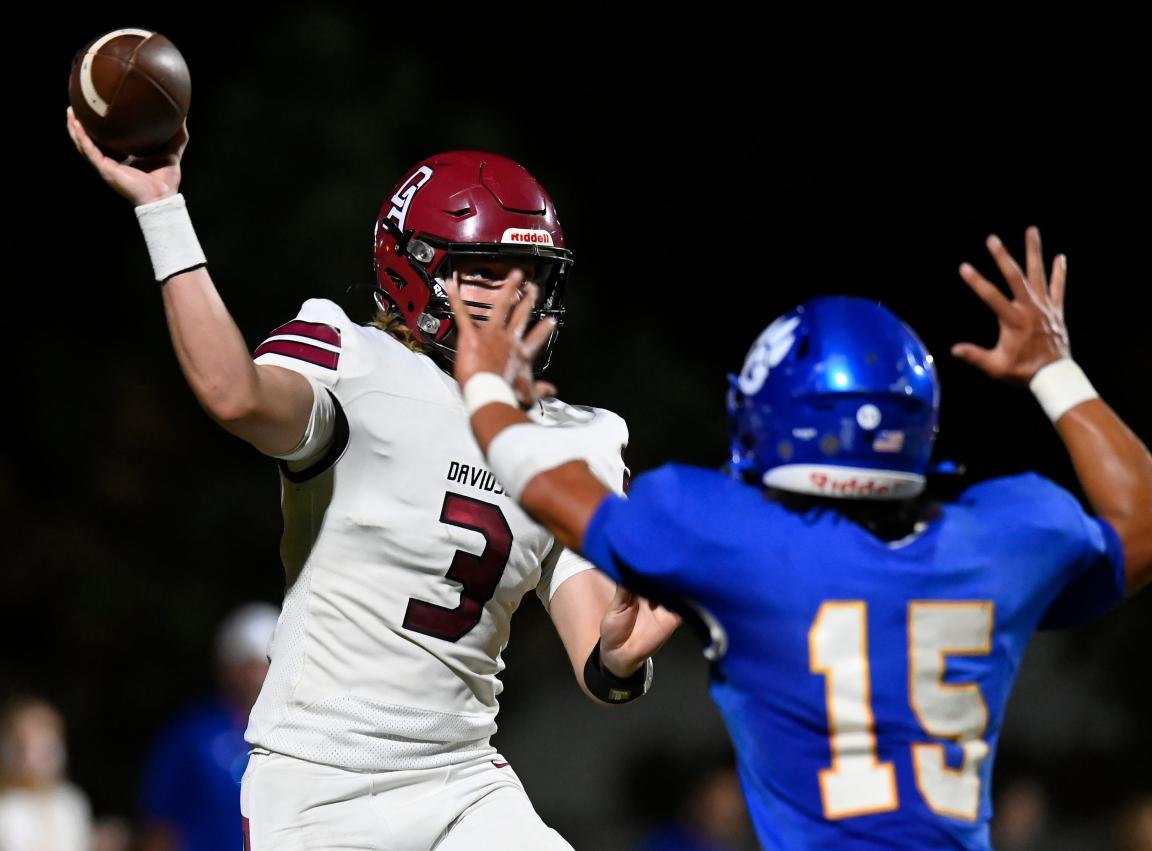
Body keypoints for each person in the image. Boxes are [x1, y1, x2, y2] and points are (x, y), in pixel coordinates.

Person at [446, 227, 1152, 849]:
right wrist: (1055, 370)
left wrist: (485, 382)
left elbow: (546, 486)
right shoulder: (1010, 530)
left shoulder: (729, 535)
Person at [65, 109, 678, 851]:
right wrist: (164, 208)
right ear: (414, 265)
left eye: (533, 275)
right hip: (321, 781)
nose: (514, 297)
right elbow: (234, 393)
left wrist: (619, 650)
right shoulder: (351, 361)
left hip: (461, 780)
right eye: (486, 271)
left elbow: (597, 653)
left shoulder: (578, 436)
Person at [141, 602, 279, 851]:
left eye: (265, 664)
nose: (258, 675)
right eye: (249, 663)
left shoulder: (299, 734)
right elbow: (161, 823)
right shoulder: (192, 734)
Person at [0, 696, 92, 851]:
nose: (40, 753)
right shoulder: (6, 807)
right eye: (28, 743)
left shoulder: (71, 801)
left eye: (48, 742)